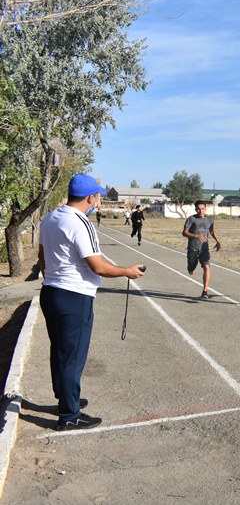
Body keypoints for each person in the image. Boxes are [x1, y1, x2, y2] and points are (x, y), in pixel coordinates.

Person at [38, 174, 146, 431]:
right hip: (73, 297)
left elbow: (41, 258)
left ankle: (65, 399)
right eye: (97, 195)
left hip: (51, 291)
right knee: (72, 357)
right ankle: (69, 415)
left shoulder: (50, 217)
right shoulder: (80, 223)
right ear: (90, 197)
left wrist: (54, 277)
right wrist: (127, 271)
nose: (98, 199)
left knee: (60, 352)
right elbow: (98, 266)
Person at [182, 200, 221, 299]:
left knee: (206, 267)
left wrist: (218, 241)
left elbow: (212, 231)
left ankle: (205, 291)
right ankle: (191, 268)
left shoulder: (210, 220)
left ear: (205, 209)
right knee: (191, 269)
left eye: (202, 209)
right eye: (198, 209)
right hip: (193, 249)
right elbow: (184, 233)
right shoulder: (191, 219)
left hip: (204, 249)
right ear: (196, 209)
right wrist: (195, 236)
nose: (201, 211)